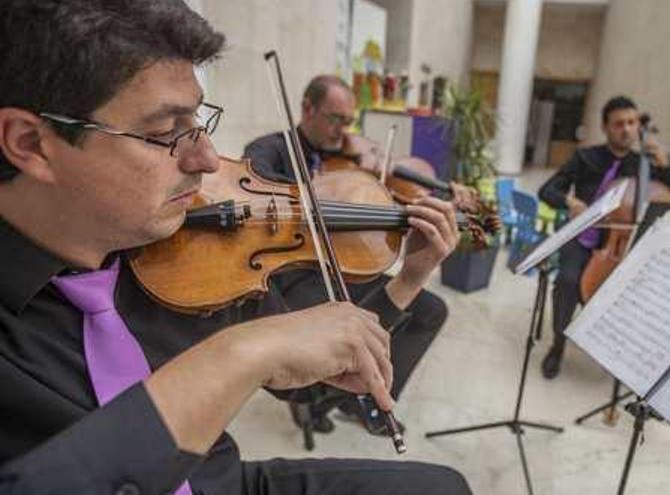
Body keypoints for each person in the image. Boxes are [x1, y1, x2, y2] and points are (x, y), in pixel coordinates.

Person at [0, 1, 471, 494]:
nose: (206, 159)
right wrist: (238, 355)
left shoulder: (195, 252)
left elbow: (309, 389)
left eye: (200, 122)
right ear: (31, 143)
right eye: (165, 132)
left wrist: (408, 278)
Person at [243, 76, 450, 436]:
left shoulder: (350, 157)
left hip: (344, 263)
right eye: (335, 118)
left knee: (431, 309)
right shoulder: (270, 149)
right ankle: (318, 397)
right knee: (351, 326)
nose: (343, 131)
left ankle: (364, 399)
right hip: (293, 272)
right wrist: (328, 187)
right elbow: (257, 188)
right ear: (307, 109)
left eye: (349, 121)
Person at [537, 96, 670, 379]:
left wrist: (665, 168)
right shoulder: (585, 158)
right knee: (567, 281)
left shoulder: (645, 163)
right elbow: (547, 190)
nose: (627, 129)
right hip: (583, 236)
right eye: (619, 124)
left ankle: (614, 344)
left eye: (632, 123)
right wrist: (571, 203)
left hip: (621, 244)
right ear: (605, 127)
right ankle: (558, 344)